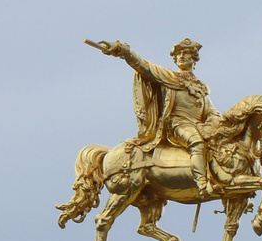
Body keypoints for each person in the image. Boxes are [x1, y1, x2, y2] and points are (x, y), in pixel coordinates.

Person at [91, 37, 218, 194]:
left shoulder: (201, 86)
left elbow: (210, 110)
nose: (181, 57)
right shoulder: (169, 76)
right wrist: (123, 51)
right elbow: (143, 66)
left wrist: (216, 122)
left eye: (186, 54)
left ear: (194, 59)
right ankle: (203, 184)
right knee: (197, 143)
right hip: (178, 124)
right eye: (178, 54)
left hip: (199, 126)